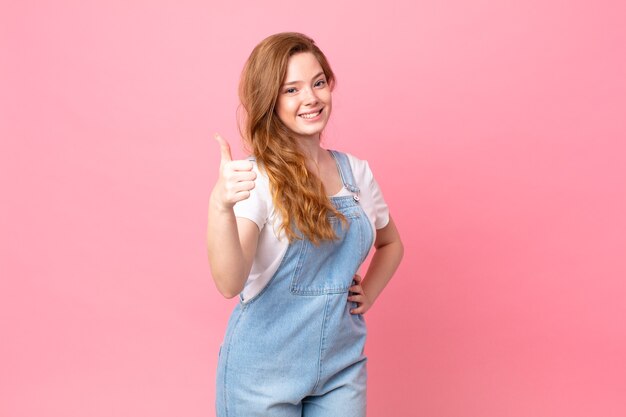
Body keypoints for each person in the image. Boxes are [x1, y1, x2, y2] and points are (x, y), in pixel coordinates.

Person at [207, 32, 403, 417]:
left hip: (340, 369)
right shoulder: (256, 179)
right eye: (291, 90)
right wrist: (220, 205)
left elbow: (392, 243)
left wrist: (371, 293)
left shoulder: (356, 173)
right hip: (261, 376)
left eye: (317, 83)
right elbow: (229, 283)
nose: (311, 98)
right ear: (270, 102)